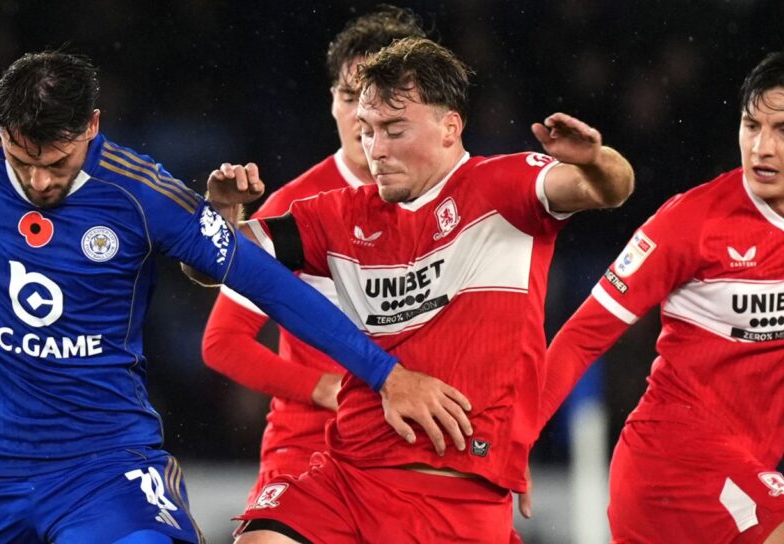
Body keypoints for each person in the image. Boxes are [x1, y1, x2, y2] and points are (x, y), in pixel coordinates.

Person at [0, 50, 473, 544]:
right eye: (22, 160)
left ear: (91, 126)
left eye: (57, 163)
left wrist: (385, 373)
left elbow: (269, 284)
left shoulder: (143, 195)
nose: (39, 181)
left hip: (101, 467)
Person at [199, 37, 634, 543]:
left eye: (394, 130)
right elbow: (214, 261)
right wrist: (221, 216)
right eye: (367, 131)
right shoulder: (336, 214)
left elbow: (608, 189)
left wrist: (596, 160)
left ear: (450, 127)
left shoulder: (506, 187)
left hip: (456, 498)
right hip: (347, 478)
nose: (376, 149)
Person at [537, 52, 784, 543]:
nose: (763, 147)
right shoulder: (692, 221)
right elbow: (581, 338)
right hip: (670, 462)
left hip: (734, 472)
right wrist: (509, 449)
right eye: (751, 126)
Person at [201, 5, 427, 506]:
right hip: (310, 448)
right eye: (349, 97)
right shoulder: (296, 207)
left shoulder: (453, 198)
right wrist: (326, 388)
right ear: (331, 101)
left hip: (416, 447)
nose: (362, 116)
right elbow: (222, 342)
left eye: (381, 99)